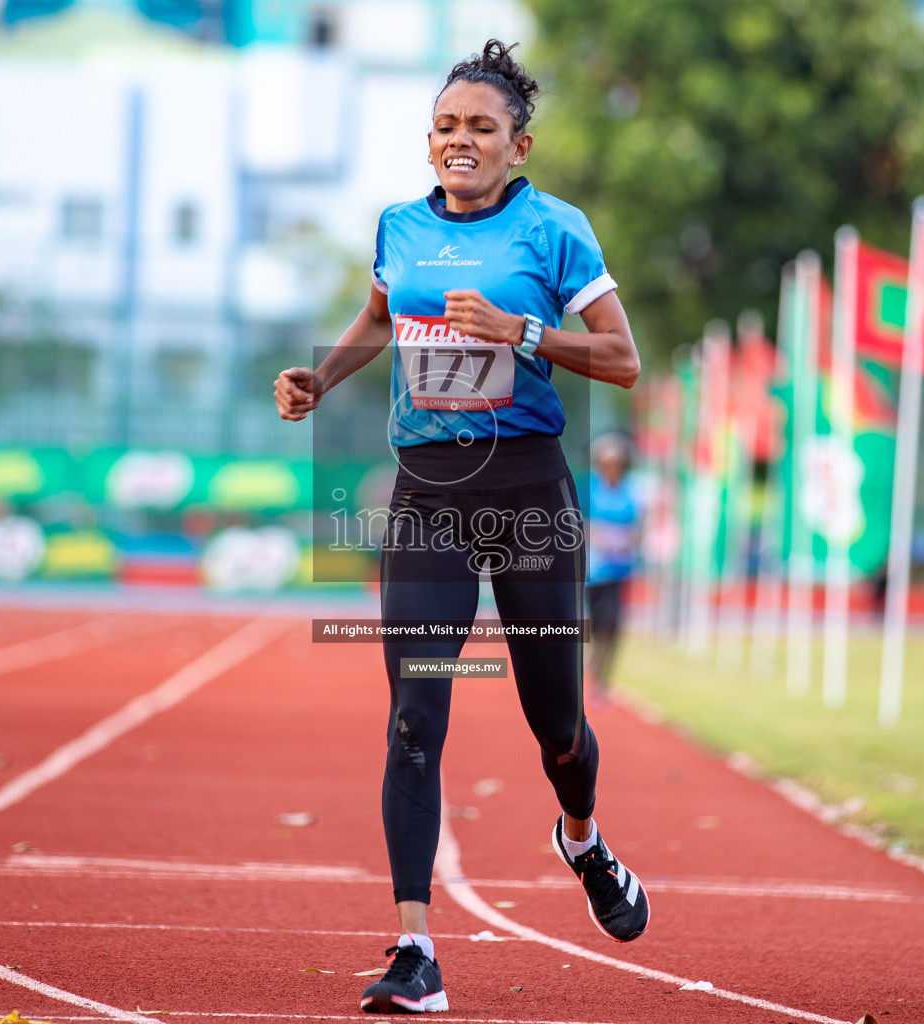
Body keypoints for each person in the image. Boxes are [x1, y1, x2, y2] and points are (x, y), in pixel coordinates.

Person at [274, 40, 648, 1015]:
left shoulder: (555, 231)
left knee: (557, 725)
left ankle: (581, 836)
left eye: (481, 128)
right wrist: (324, 377)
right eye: (446, 127)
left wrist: (521, 332)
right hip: (428, 499)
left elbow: (622, 359)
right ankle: (415, 948)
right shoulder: (399, 227)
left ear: (518, 146)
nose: (461, 142)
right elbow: (378, 315)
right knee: (412, 717)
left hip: (528, 496)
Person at [585, 433, 640, 704]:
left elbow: (639, 529)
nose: (612, 467)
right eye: (607, 462)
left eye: (616, 463)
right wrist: (597, 535)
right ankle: (588, 668)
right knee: (592, 625)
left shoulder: (631, 491)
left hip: (619, 570)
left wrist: (627, 540)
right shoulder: (590, 489)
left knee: (612, 625)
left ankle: (601, 679)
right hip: (591, 571)